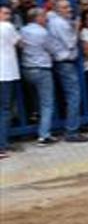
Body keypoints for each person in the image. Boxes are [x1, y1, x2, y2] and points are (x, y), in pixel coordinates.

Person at [46, 0, 88, 142]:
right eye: (65, 7)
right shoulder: (59, 24)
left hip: (61, 62)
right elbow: (70, 43)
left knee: (68, 96)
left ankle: (69, 127)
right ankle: (72, 131)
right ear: (57, 10)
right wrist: (76, 27)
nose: (69, 9)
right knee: (74, 96)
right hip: (65, 62)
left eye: (69, 6)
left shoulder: (54, 21)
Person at [19, 8, 58, 145]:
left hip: (26, 69)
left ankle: (33, 121)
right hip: (42, 69)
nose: (45, 19)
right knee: (47, 103)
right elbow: (53, 49)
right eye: (43, 16)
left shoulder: (23, 30)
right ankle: (44, 135)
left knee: (33, 100)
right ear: (37, 18)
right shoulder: (43, 32)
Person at [0, 3, 21, 158]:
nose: (8, 16)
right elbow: (20, 43)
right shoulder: (7, 26)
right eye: (5, 13)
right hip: (6, 73)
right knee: (5, 110)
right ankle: (2, 145)